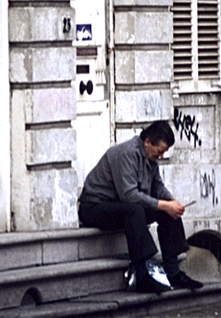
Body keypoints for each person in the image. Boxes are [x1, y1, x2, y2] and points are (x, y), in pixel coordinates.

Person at [78, 120, 204, 294]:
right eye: (159, 151)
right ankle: (143, 273)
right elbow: (128, 195)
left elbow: (157, 186)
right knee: (135, 210)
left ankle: (173, 272)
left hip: (120, 206)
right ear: (147, 142)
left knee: (168, 212)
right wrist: (163, 205)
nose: (160, 156)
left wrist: (171, 202)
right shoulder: (126, 153)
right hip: (94, 207)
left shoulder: (150, 156)